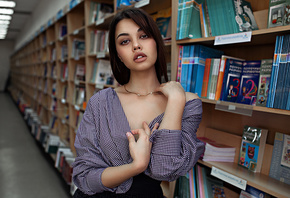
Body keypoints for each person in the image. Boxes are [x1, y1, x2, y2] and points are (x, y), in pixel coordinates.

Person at [72, 7, 204, 198]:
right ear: (118, 54)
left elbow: (164, 170)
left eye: (143, 36)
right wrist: (137, 166)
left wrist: (175, 100)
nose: (136, 45)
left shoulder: (187, 103)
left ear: (157, 42)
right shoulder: (100, 103)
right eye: (125, 41)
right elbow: (85, 177)